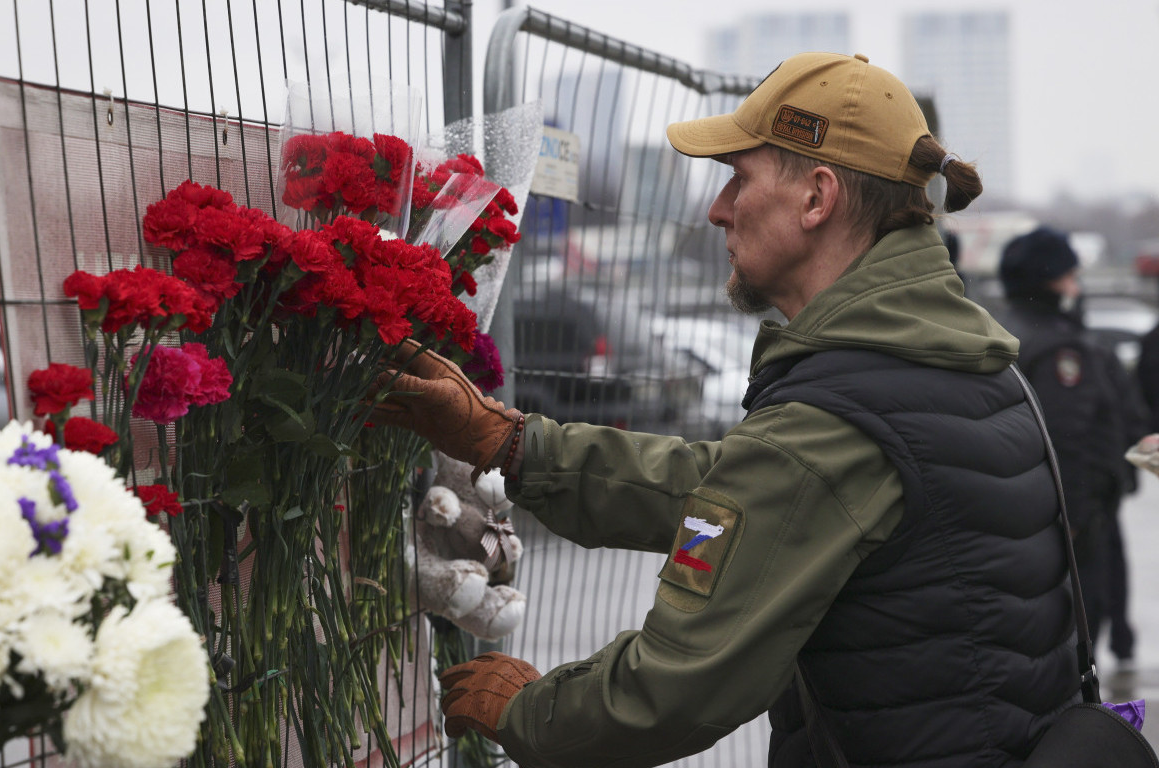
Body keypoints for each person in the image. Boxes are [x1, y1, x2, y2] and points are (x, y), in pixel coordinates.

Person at [373, 52, 1079, 767]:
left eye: (739, 178)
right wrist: (514, 444)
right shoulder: (963, 365)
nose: (717, 209)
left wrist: (526, 708)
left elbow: (672, 689)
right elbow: (742, 489)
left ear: (817, 198)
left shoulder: (833, 422)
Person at [991, 226, 1132, 649]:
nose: (1076, 286)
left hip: (1022, 516)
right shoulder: (1059, 346)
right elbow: (1067, 439)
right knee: (1078, 632)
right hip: (1070, 526)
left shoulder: (1000, 329)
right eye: (1070, 276)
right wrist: (1075, 522)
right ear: (1050, 280)